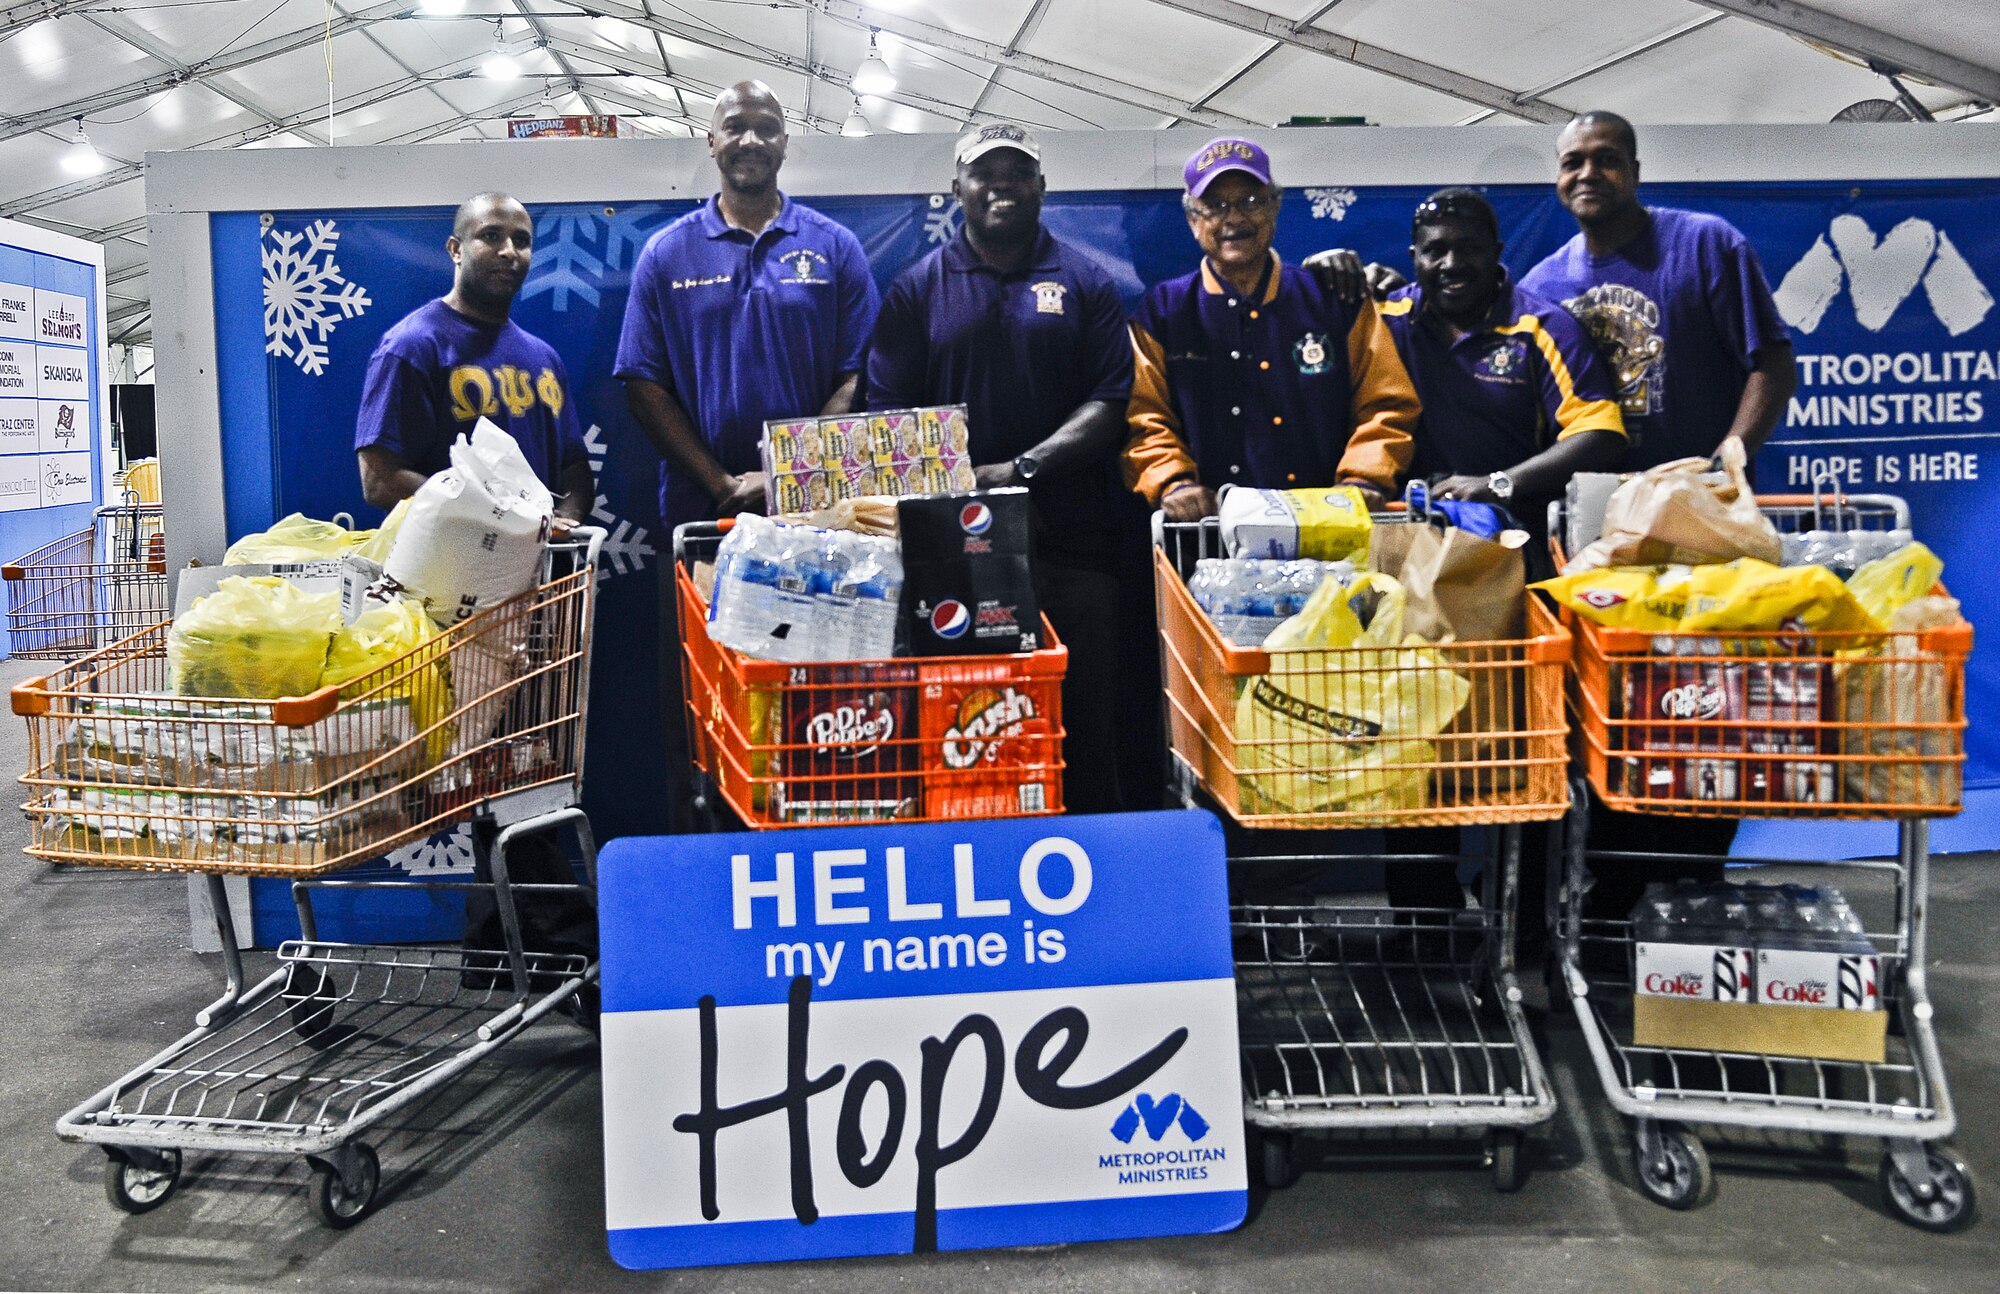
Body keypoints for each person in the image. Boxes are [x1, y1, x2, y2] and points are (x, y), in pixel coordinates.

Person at [1519, 110, 1797, 921]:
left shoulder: (1706, 244)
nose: (1588, 173)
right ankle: (1619, 896)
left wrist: (1730, 459)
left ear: (1635, 171)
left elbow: (1771, 362)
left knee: (1711, 719)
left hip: (1707, 535)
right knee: (1616, 720)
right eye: (1573, 161)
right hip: (1605, 546)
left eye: (1606, 159)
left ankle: (1691, 889)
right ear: (1558, 177)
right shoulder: (1540, 283)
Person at [614, 80, 880, 828]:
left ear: (786, 143)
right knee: (708, 708)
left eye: (766, 128)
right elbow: (642, 382)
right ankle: (709, 864)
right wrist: (726, 485)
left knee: (817, 704)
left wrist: (790, 481)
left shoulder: (833, 247)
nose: (751, 141)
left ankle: (815, 854)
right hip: (705, 526)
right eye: (736, 127)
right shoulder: (667, 253)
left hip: (822, 528)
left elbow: (859, 374)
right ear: (711, 141)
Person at [353, 190, 595, 995]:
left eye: (522, 239)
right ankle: (569, 954)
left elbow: (571, 473)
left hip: (535, 605)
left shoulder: (542, 358)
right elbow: (379, 475)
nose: (509, 250)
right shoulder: (413, 345)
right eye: (490, 235)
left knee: (513, 772)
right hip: (444, 613)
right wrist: (492, 519)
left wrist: (557, 524)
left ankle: (497, 957)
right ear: (454, 248)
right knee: (497, 778)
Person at [1371, 186, 1626, 931]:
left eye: (1468, 248)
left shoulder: (1539, 322)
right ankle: (1421, 920)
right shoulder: (1385, 318)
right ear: (1414, 258)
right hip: (1411, 575)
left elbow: (1601, 433)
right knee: (1412, 742)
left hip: (1518, 577)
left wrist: (1500, 482)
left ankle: (1524, 921)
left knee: (1528, 751)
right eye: (1435, 250)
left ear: (1495, 254)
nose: (1452, 263)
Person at [864, 122, 1135, 814]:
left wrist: (1022, 468)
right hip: (953, 562)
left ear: (1041, 187)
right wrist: (958, 485)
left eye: (1017, 172)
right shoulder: (916, 289)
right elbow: (889, 415)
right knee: (966, 734)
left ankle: (1095, 880)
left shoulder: (1086, 281)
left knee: (1084, 730)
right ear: (957, 189)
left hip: (1075, 550)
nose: (1001, 186)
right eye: (985, 173)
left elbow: (1111, 402)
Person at [1123, 136, 1419, 522]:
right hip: (1209, 535)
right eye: (1214, 206)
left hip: (1329, 528)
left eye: (1250, 201)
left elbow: (1387, 404)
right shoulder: (1163, 311)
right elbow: (1143, 417)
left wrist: (1364, 479)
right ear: (1193, 220)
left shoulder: (1334, 299)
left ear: (1275, 207)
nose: (1234, 219)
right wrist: (1173, 482)